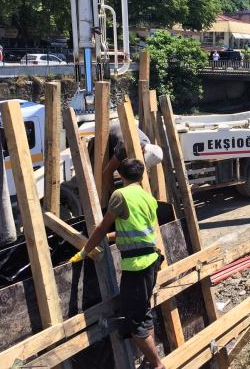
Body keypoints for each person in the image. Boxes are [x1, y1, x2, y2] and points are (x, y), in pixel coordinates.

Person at [70, 158, 164, 369]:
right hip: (151, 261)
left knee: (135, 321)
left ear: (121, 176)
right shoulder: (147, 197)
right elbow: (135, 229)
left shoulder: (120, 195)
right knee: (143, 312)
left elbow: (103, 227)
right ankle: (151, 361)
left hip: (136, 266)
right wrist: (115, 237)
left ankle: (157, 365)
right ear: (141, 176)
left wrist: (85, 251)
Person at [88, 121, 163, 195]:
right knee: (99, 182)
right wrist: (115, 194)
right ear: (143, 150)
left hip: (118, 135)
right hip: (104, 137)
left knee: (130, 171)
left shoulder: (146, 142)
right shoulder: (125, 147)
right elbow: (107, 173)